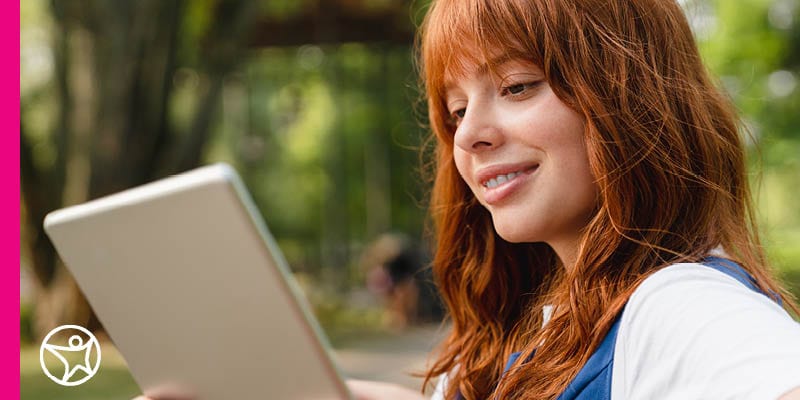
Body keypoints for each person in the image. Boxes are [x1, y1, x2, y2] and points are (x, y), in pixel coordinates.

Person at [137, 0, 800, 399]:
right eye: (456, 109)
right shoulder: (544, 328)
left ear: (630, 99)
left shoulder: (677, 304)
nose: (472, 136)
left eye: (517, 86)